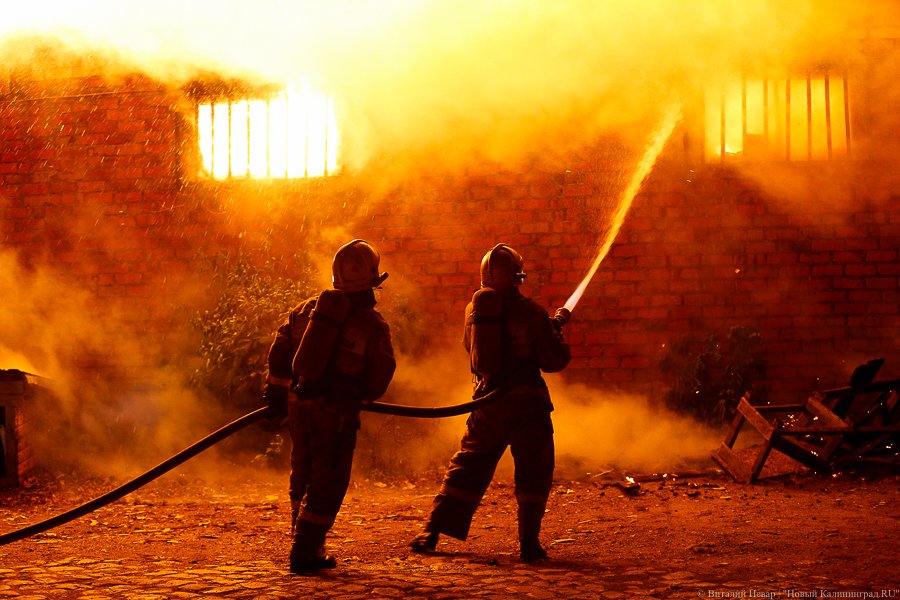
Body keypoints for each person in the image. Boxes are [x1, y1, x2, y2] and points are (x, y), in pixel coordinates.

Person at [410, 243, 571, 562]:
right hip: (528, 404)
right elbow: (553, 360)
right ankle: (529, 543)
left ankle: (431, 531)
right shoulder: (532, 312)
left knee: (467, 466)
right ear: (518, 276)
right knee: (534, 470)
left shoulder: (473, 311)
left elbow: (471, 351)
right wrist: (553, 333)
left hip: (487, 404)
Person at [263, 239, 396, 574]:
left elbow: (280, 352)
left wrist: (277, 394)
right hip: (334, 414)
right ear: (373, 278)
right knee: (329, 479)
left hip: (298, 406)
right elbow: (380, 374)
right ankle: (306, 550)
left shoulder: (306, 311)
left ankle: (300, 535)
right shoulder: (371, 324)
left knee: (302, 471)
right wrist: (358, 396)